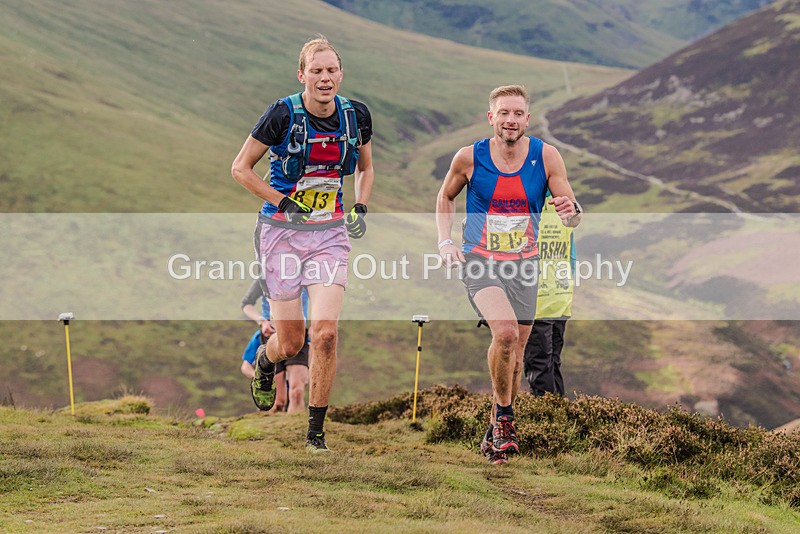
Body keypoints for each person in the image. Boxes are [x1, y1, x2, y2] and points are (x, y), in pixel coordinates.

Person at [231, 35, 374, 452]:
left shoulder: (357, 115)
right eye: (317, 71)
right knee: (291, 342)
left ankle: (315, 434)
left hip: (329, 234)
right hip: (280, 234)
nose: (325, 78)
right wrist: (283, 202)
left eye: (331, 70)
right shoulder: (281, 114)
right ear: (302, 75)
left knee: (325, 334)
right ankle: (265, 359)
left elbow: (365, 168)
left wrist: (361, 206)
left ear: (340, 74)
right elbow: (241, 169)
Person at [436, 85, 581, 465]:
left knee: (516, 354)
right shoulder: (470, 158)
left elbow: (572, 211)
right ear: (491, 118)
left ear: (527, 119)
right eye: (504, 113)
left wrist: (571, 211)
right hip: (480, 260)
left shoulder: (546, 157)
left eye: (517, 113)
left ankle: (494, 433)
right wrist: (444, 242)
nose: (511, 120)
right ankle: (505, 419)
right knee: (505, 334)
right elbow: (445, 197)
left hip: (525, 264)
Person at [523, 190, 576, 397]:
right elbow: (571, 256)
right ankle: (559, 416)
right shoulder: (565, 208)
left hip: (536, 302)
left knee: (539, 365)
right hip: (560, 298)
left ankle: (549, 419)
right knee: (552, 363)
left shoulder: (527, 205)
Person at [240, 279, 310, 414]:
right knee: (278, 402)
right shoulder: (266, 276)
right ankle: (268, 431)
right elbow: (246, 304)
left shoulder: (308, 276)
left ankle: (295, 431)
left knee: (297, 392)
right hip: (271, 335)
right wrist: (262, 322)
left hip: (299, 334)